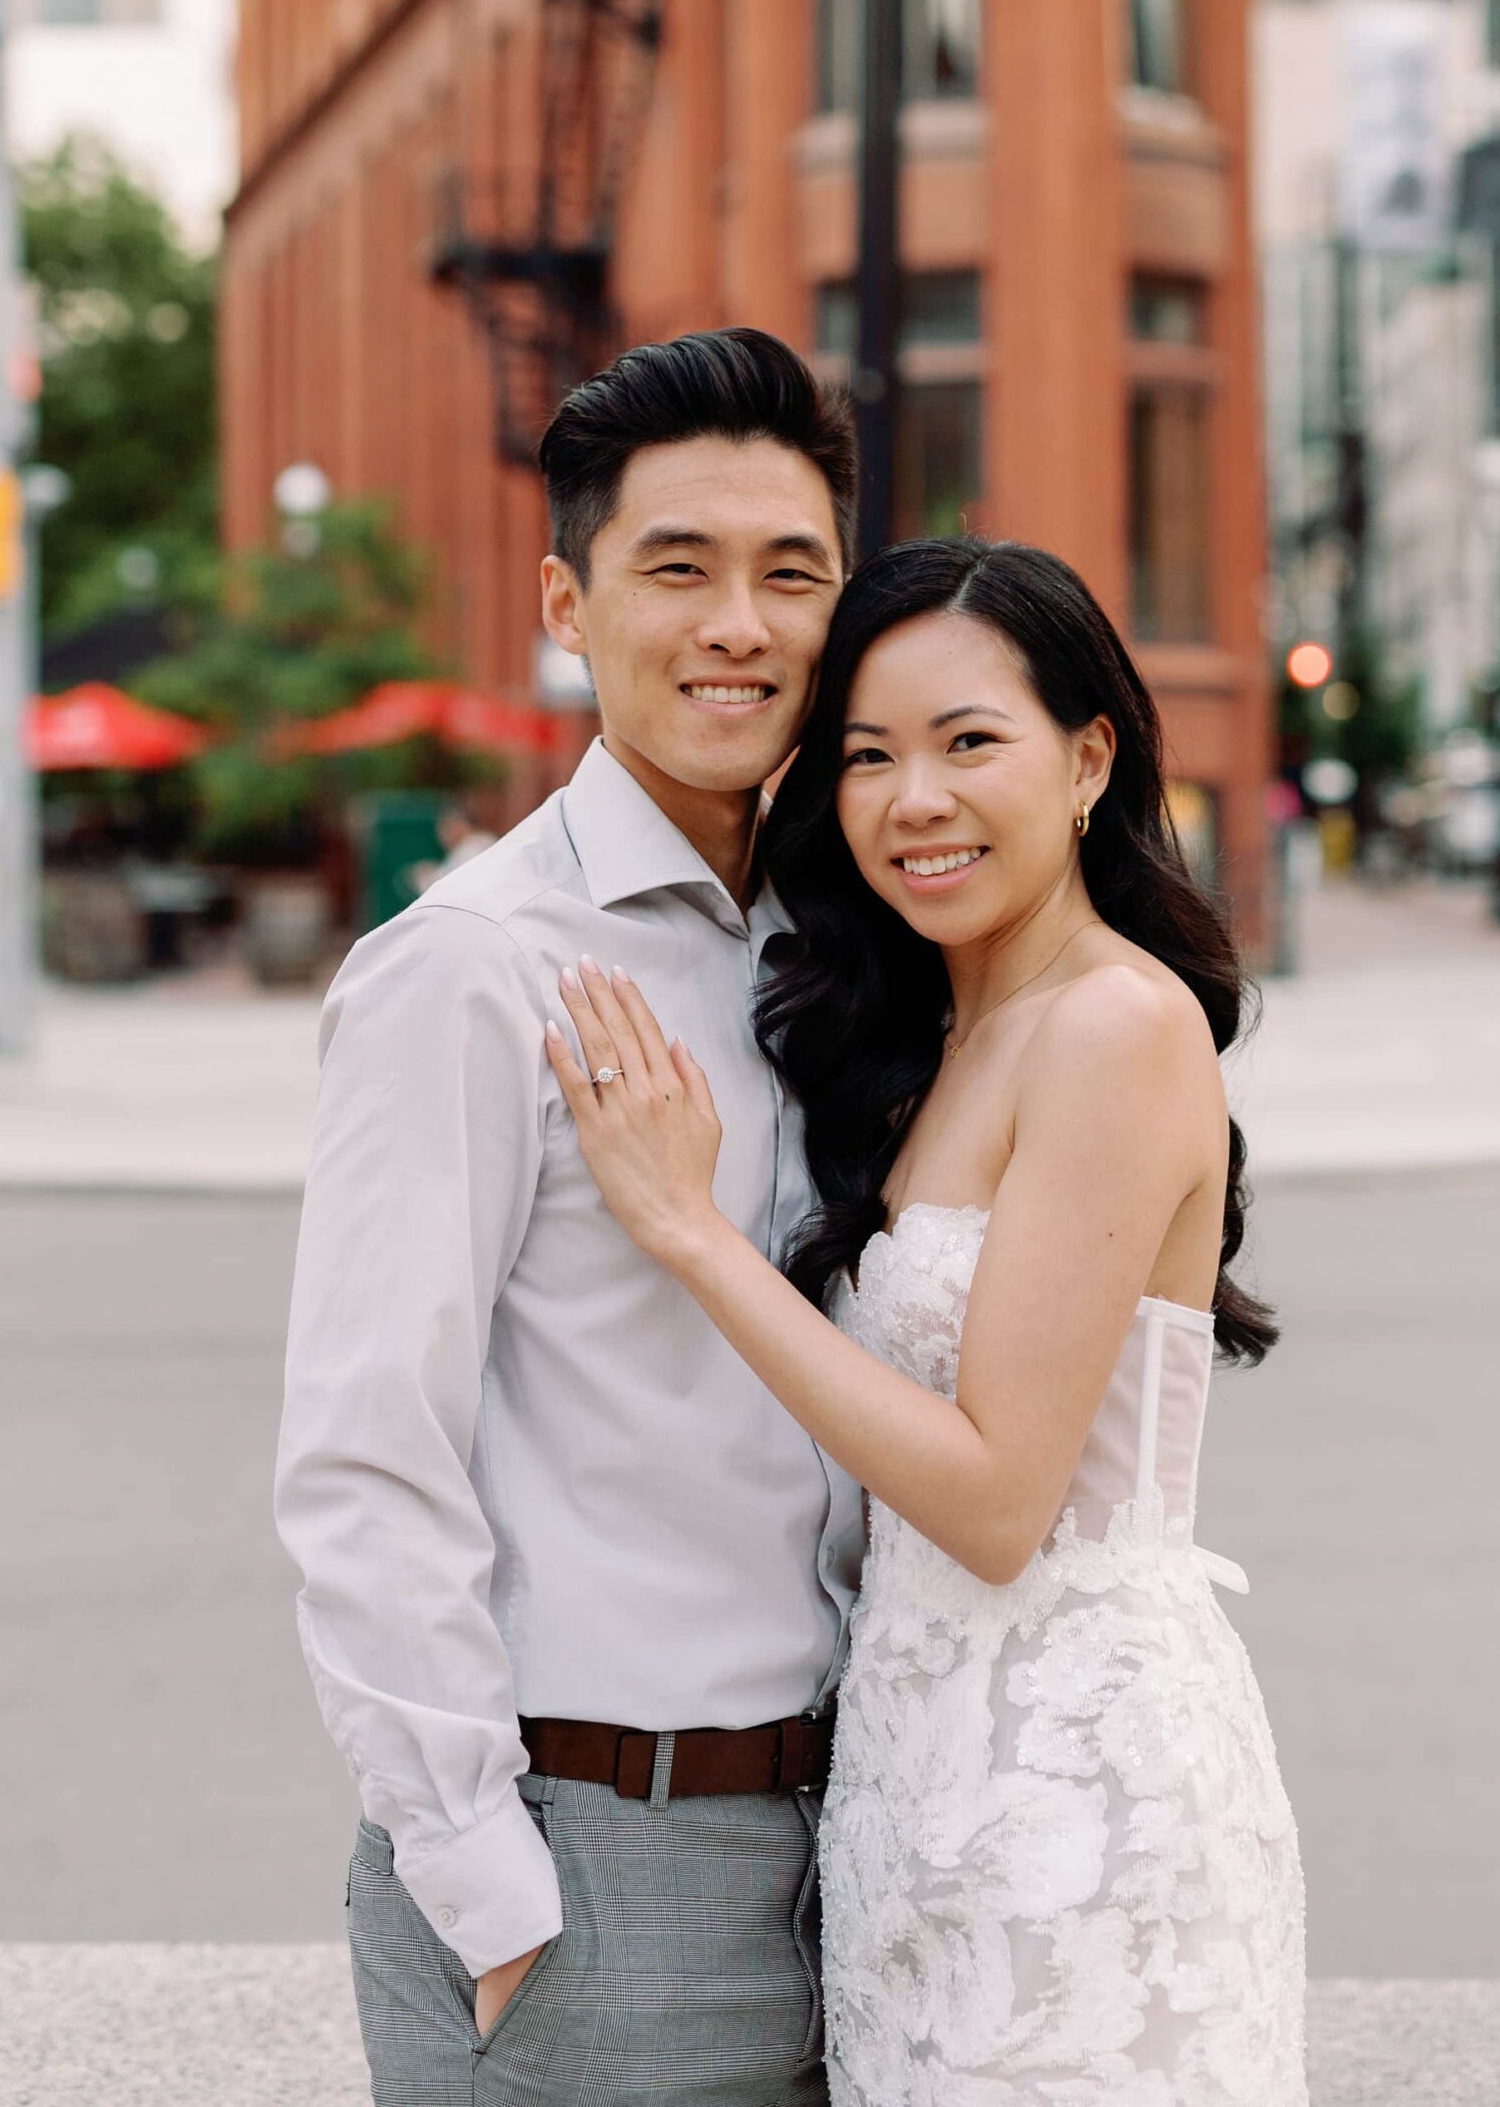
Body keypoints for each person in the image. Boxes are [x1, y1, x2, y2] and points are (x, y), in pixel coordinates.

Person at [547, 535, 1308, 2105]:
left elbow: (995, 1500)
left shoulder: (1114, 1024)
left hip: (1078, 1791)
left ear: (1090, 757)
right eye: (869, 757)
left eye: (971, 743)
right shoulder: (939, 1034)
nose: (914, 801)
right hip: (918, 1766)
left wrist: (693, 1235)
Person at [275, 328, 865, 2107]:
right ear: (567, 600)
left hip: (849, 1852)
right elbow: (364, 1455)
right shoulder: (472, 967)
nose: (737, 626)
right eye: (676, 568)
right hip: (586, 1859)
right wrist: (487, 1889)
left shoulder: (838, 954)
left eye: (791, 574)